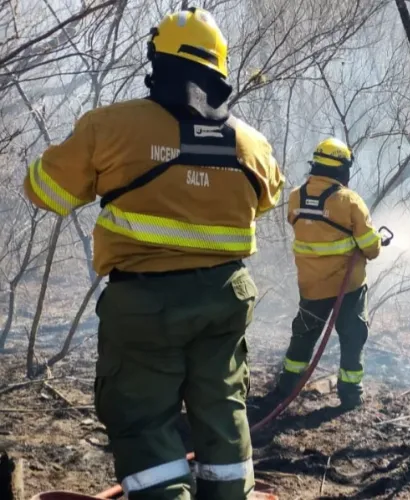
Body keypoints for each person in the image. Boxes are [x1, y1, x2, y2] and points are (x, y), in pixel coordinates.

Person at [22, 7, 285, 499]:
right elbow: (269, 197)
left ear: (157, 60)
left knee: (142, 418)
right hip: (225, 298)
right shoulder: (252, 144)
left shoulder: (110, 127)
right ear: (219, 70)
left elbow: (46, 192)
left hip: (144, 304)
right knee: (222, 406)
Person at [248, 138, 383, 419]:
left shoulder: (296, 196)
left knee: (304, 336)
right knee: (352, 336)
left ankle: (287, 386)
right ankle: (350, 394)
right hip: (349, 289)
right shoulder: (349, 201)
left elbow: (305, 227)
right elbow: (371, 248)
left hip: (311, 286)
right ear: (342, 169)